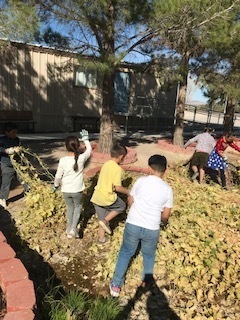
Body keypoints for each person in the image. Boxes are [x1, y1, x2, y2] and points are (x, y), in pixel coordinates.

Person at [110, 154, 173, 297]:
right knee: (149, 255)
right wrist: (161, 222)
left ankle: (116, 285)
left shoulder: (140, 181)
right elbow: (165, 216)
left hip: (133, 223)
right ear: (166, 170)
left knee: (126, 253)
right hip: (152, 228)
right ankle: (146, 283)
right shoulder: (168, 190)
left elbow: (130, 201)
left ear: (149, 169)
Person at [54, 130, 92, 239]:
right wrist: (86, 139)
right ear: (78, 146)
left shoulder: (63, 160)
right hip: (77, 190)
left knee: (69, 208)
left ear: (66, 147)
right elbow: (89, 150)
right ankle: (74, 229)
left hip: (66, 190)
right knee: (78, 208)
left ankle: (68, 228)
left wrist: (56, 185)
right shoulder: (81, 158)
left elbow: (58, 176)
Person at [90, 143, 129, 244]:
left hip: (96, 197)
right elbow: (117, 187)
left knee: (101, 219)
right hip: (107, 197)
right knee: (121, 206)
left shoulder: (106, 164)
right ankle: (105, 221)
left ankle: (101, 239)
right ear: (121, 157)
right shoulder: (117, 169)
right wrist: (129, 192)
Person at [0, 122, 21, 209]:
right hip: (6, 164)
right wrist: (6, 151)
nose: (14, 134)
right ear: (6, 132)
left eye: (16, 132)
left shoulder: (17, 139)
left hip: (17, 163)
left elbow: (20, 147)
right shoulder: (1, 140)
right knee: (6, 182)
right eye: (13, 132)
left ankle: (29, 192)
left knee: (24, 179)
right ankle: (2, 199)